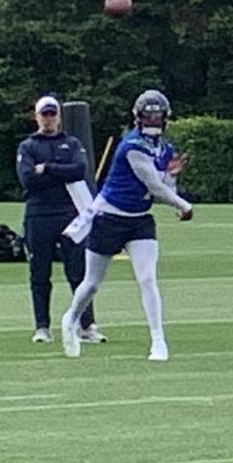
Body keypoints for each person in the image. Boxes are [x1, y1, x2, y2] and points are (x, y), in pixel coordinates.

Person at [60, 90, 192, 361]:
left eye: (158, 115)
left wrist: (172, 176)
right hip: (110, 217)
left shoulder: (165, 149)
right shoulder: (131, 146)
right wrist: (183, 205)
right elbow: (153, 185)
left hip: (139, 220)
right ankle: (71, 319)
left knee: (147, 278)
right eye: (149, 115)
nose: (153, 120)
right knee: (92, 283)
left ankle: (158, 340)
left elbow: (164, 186)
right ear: (138, 117)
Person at [15, 96, 106, 344]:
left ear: (58, 116)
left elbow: (79, 171)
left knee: (79, 272)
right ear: (37, 117)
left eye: (52, 114)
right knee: (39, 272)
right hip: (39, 214)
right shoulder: (28, 146)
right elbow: (28, 180)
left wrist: (48, 168)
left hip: (69, 214)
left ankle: (86, 325)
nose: (49, 119)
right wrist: (59, 172)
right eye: (44, 114)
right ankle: (42, 327)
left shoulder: (72, 143)